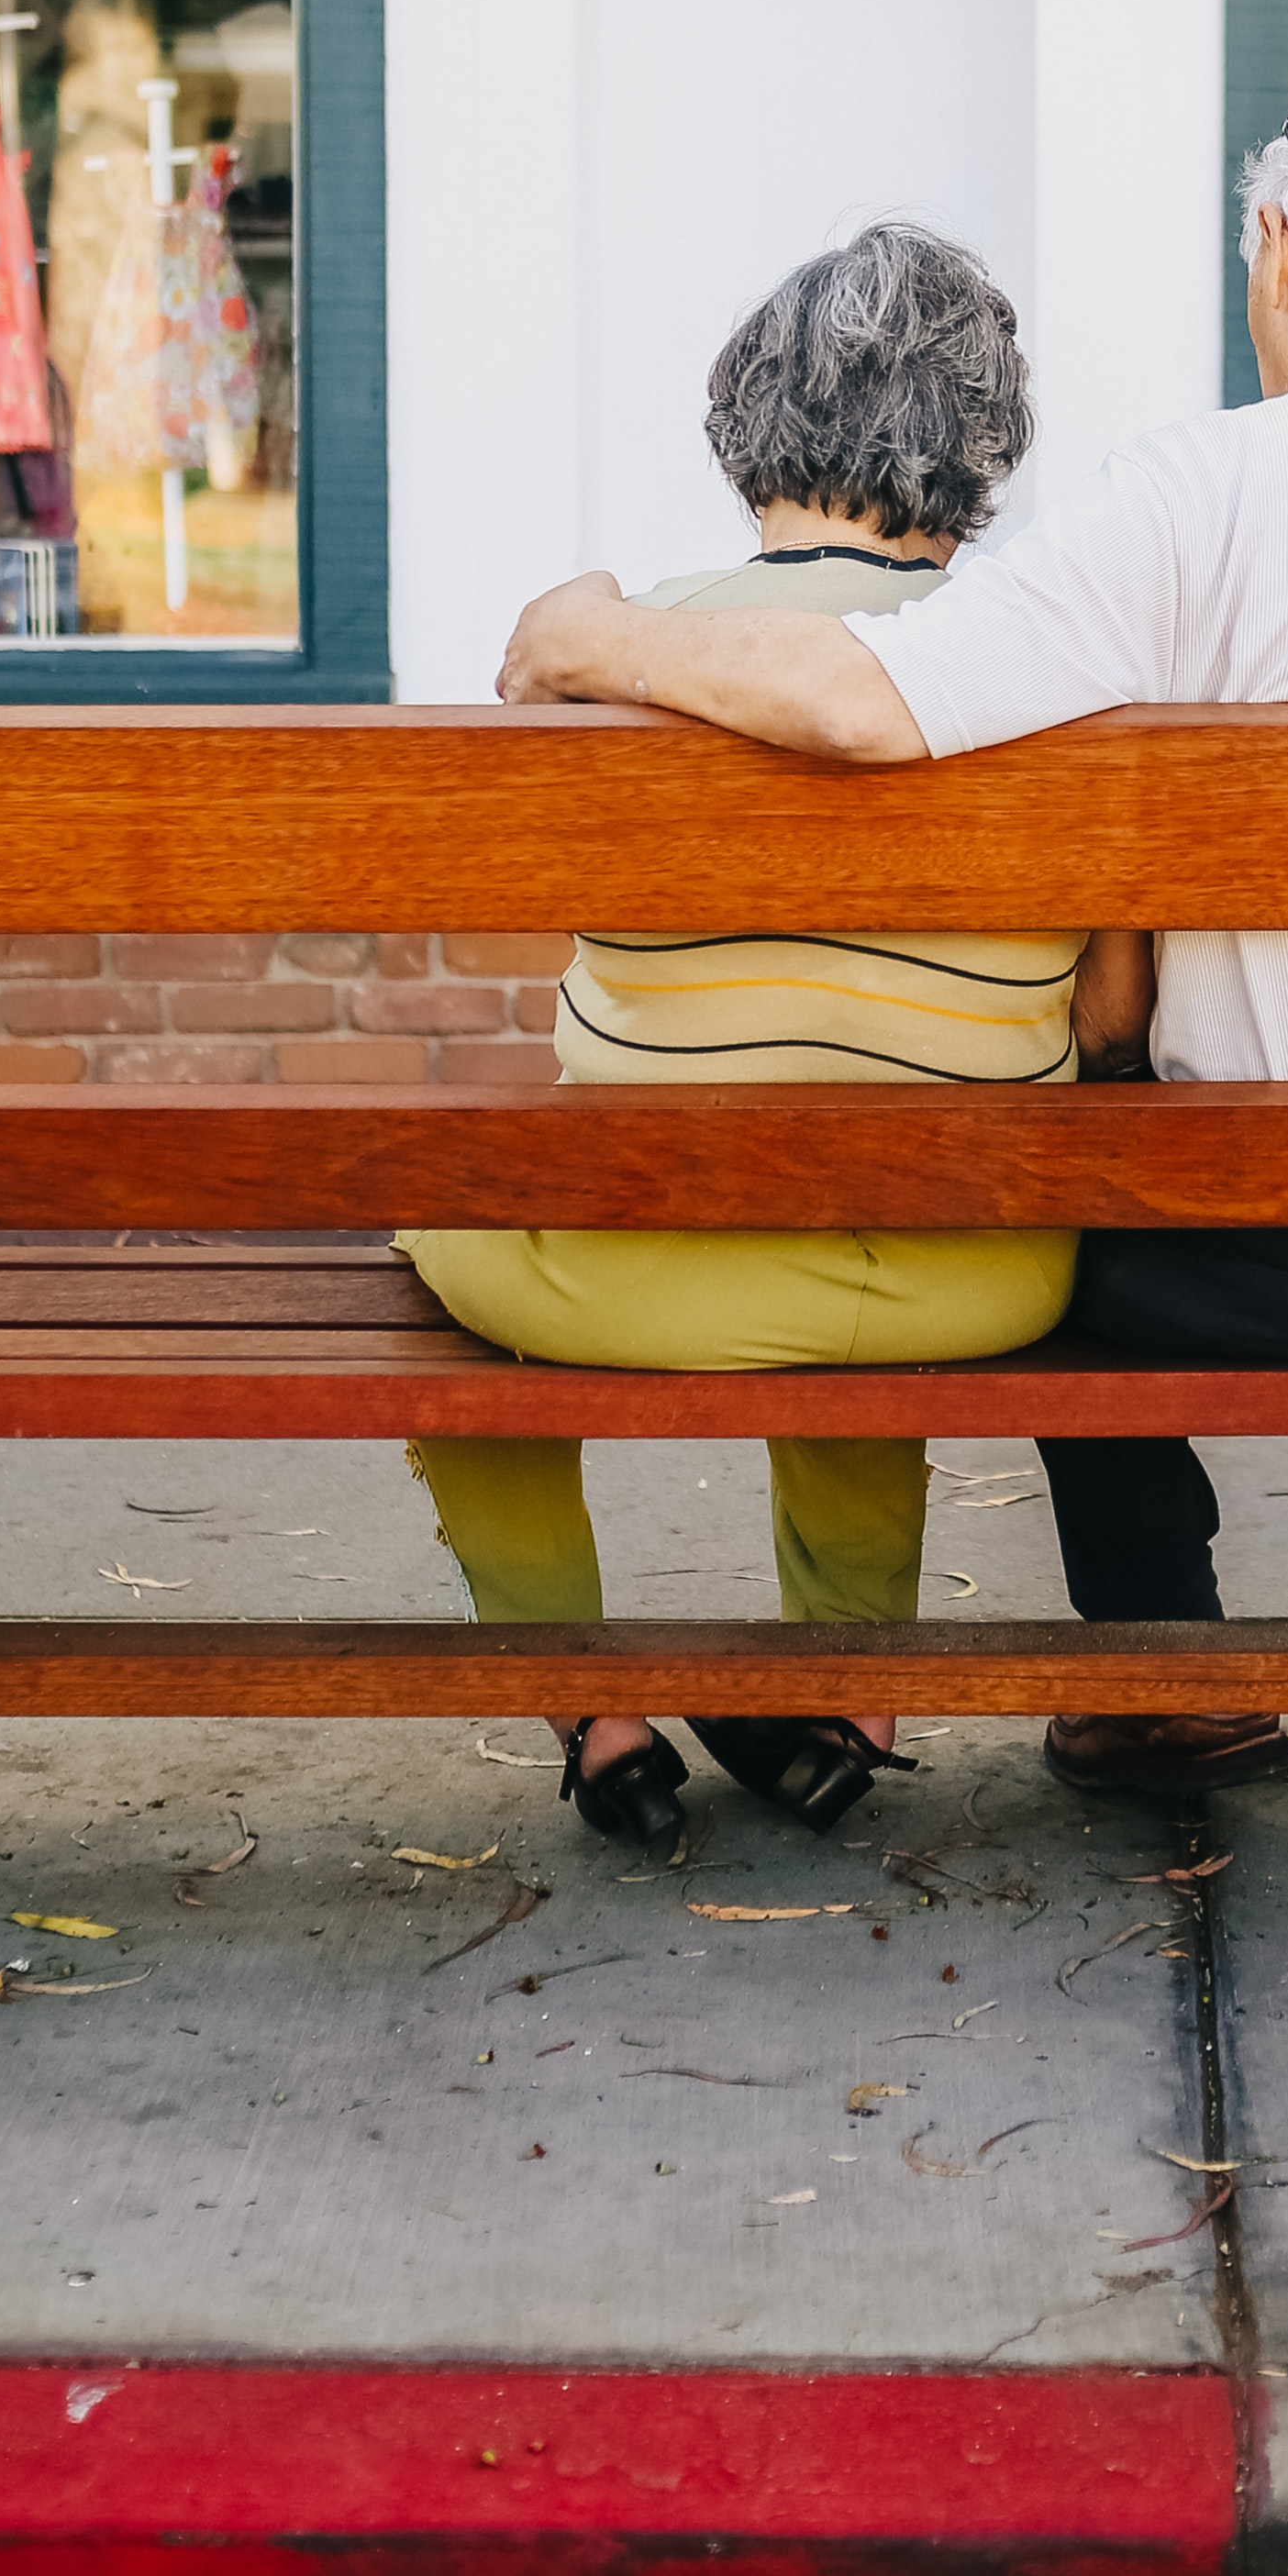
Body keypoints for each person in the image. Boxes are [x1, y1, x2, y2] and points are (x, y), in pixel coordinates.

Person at [497, 80, 1288, 1800]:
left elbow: (874, 702)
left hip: (1275, 1236)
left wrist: (600, 637)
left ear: (1276, 253)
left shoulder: (1197, 493)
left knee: (1074, 1180)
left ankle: (1163, 1664)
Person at [407, 219, 1085, 1860]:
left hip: (635, 1265)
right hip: (974, 1274)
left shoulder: (620, 653)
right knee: (868, 1162)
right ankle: (845, 1685)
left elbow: (582, 1007)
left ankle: (590, 1701)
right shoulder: (1051, 664)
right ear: (983, 444)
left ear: (749, 419)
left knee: (433, 1219)